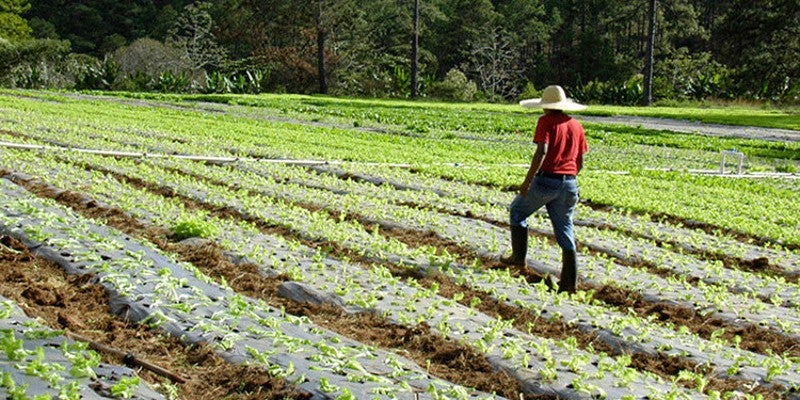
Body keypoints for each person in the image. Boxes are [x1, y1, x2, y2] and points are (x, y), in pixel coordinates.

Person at [501, 85, 588, 294]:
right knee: (565, 229)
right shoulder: (576, 125)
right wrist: (569, 179)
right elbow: (580, 161)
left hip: (546, 180)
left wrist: (527, 181)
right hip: (569, 183)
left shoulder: (545, 122)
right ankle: (569, 283)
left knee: (517, 211)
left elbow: (542, 151)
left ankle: (518, 258)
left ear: (546, 106)